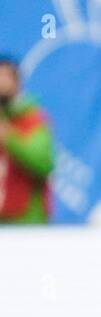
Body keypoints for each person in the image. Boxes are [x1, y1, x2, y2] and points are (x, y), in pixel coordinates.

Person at [0, 56, 55, 225]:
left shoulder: (32, 119)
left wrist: (9, 138)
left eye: (5, 78)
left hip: (26, 223)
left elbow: (43, 163)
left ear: (17, 83)